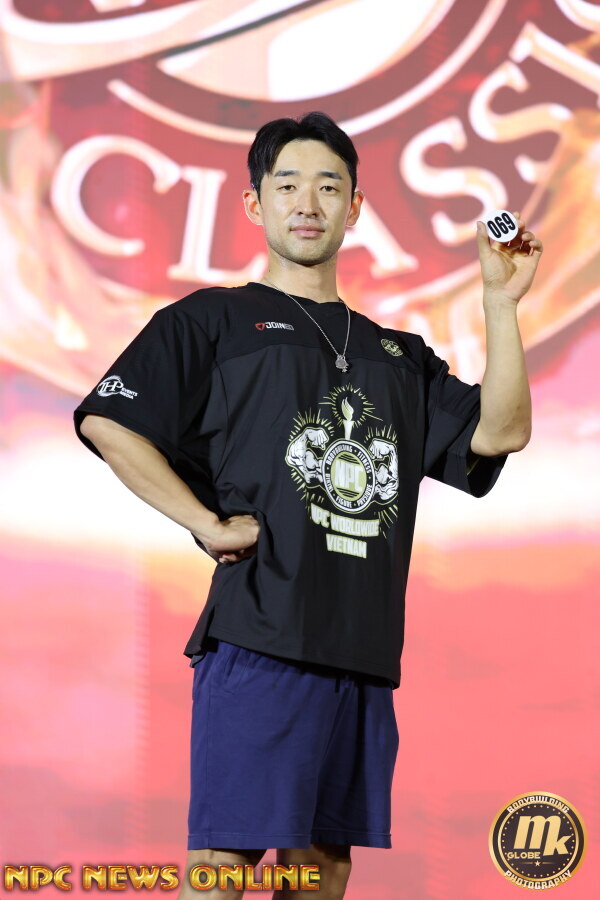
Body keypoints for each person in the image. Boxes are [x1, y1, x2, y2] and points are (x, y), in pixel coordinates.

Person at [73, 111, 543, 899]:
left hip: (362, 651)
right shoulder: (213, 321)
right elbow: (108, 421)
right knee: (224, 867)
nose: (308, 203)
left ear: (354, 208)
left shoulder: (399, 355)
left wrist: (502, 302)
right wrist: (204, 522)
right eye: (287, 185)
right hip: (262, 639)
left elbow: (502, 432)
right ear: (254, 204)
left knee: (322, 870)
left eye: (329, 187)